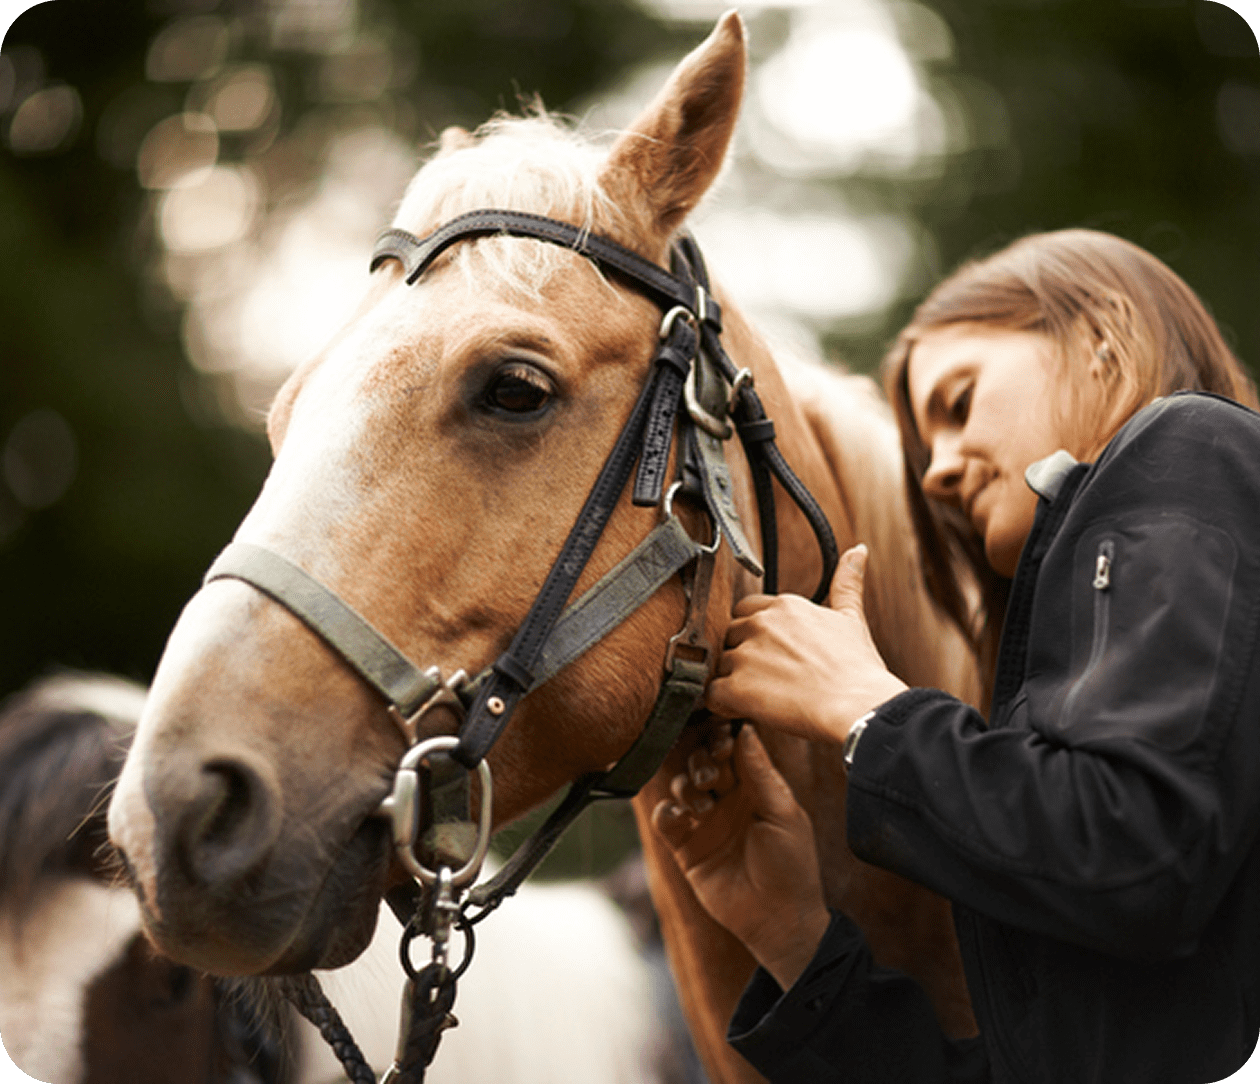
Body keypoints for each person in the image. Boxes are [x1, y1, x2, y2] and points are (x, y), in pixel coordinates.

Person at [653, 229, 1260, 1083]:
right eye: (923, 445)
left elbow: (1139, 855)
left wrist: (867, 712)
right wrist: (794, 941)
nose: (936, 471)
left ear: (1102, 338)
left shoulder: (1188, 450)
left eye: (959, 400)